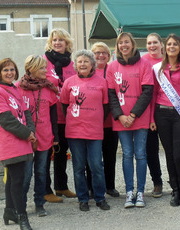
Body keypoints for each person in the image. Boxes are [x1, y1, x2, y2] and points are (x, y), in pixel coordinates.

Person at [106, 32, 154, 208]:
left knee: (140, 154)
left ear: (132, 44)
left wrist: (132, 115)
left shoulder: (144, 64)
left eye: (126, 42)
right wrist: (121, 116)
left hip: (139, 118)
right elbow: (111, 94)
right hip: (121, 119)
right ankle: (129, 192)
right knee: (127, 155)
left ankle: (140, 192)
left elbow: (147, 91)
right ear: (117, 46)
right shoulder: (112, 67)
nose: (123, 45)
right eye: (120, 43)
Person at [150, 33, 180, 207]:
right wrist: (151, 118)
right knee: (169, 155)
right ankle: (175, 190)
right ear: (164, 47)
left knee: (178, 154)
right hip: (161, 114)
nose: (171, 47)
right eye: (169, 44)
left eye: (175, 44)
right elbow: (153, 94)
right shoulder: (157, 69)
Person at [60, 49, 110, 212]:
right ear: (75, 65)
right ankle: (83, 199)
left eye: (86, 61)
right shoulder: (69, 82)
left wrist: (95, 120)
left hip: (95, 132)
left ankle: (100, 197)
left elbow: (106, 105)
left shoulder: (101, 81)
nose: (82, 64)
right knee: (78, 166)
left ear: (92, 64)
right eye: (79, 61)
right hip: (74, 132)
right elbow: (64, 104)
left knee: (96, 165)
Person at [16, 55, 59, 217]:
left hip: (45, 136)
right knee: (26, 174)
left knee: (41, 172)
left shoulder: (48, 88)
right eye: (42, 68)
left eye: (45, 68)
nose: (45, 71)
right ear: (32, 69)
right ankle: (21, 206)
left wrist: (55, 136)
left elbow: (53, 114)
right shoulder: (18, 88)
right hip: (25, 138)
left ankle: (39, 203)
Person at [0, 58, 35, 230]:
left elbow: (25, 112)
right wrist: (28, 134)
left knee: (12, 179)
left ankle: (9, 211)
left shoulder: (14, 88)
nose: (9, 73)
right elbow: (6, 120)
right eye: (5, 70)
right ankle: (22, 217)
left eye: (12, 69)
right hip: (10, 141)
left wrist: (31, 131)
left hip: (23, 139)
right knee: (18, 179)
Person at [44, 28, 77, 203]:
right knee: (45, 154)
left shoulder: (72, 64)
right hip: (48, 115)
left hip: (67, 115)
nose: (57, 42)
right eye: (54, 39)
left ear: (67, 43)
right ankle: (45, 189)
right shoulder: (44, 61)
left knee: (62, 151)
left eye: (61, 40)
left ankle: (61, 186)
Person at [86, 42, 120, 198]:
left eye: (104, 53)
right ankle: (92, 187)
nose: (100, 55)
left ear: (109, 55)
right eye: (97, 53)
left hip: (109, 122)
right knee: (92, 158)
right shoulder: (88, 72)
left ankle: (110, 186)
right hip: (92, 122)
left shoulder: (112, 70)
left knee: (109, 155)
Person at [141, 33, 164, 198]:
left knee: (173, 150)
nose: (152, 45)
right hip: (149, 110)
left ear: (161, 44)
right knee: (151, 150)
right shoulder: (143, 62)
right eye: (149, 43)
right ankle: (157, 182)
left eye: (155, 42)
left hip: (168, 109)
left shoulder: (170, 59)